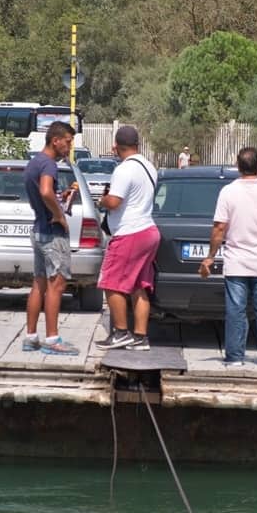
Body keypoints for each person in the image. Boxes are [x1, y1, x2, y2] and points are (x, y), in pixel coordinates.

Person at [199, 146, 257, 367]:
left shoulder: (228, 191)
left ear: (238, 167)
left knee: (236, 311)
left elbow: (219, 228)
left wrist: (210, 256)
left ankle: (235, 358)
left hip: (236, 262)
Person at [95, 125, 160, 352]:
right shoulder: (149, 166)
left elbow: (115, 202)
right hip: (149, 231)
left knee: (110, 283)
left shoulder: (123, 170)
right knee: (139, 286)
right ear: (137, 144)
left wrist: (102, 200)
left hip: (129, 233)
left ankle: (121, 333)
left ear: (116, 146)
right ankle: (141, 337)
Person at [22, 121, 79, 355]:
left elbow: (44, 193)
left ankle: (31, 337)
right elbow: (45, 191)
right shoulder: (49, 165)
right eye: (67, 141)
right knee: (57, 285)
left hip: (38, 229)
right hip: (52, 233)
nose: (69, 146)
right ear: (55, 140)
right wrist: (60, 216)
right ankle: (52, 339)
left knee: (39, 283)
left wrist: (62, 197)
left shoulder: (35, 162)